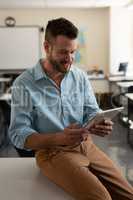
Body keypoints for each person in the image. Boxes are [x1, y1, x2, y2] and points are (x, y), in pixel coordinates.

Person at [9, 17, 133, 200]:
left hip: (86, 145)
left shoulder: (79, 77)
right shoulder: (23, 84)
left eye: (73, 52)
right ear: (46, 47)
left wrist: (99, 122)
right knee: (102, 198)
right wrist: (59, 138)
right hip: (52, 152)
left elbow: (92, 110)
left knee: (128, 194)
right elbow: (18, 134)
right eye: (63, 52)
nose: (69, 59)